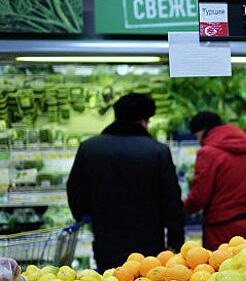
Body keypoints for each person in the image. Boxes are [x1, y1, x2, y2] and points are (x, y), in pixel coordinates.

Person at [67, 93, 185, 271]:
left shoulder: (90, 148)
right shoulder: (157, 151)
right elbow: (172, 200)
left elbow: (74, 190)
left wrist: (87, 216)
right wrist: (176, 242)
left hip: (107, 238)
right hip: (149, 242)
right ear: (143, 120)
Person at [184, 112, 246, 250]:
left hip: (221, 228)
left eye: (196, 136)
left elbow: (200, 197)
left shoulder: (208, 152)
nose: (198, 141)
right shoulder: (245, 146)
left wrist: (182, 209)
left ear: (203, 130)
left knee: (220, 269)